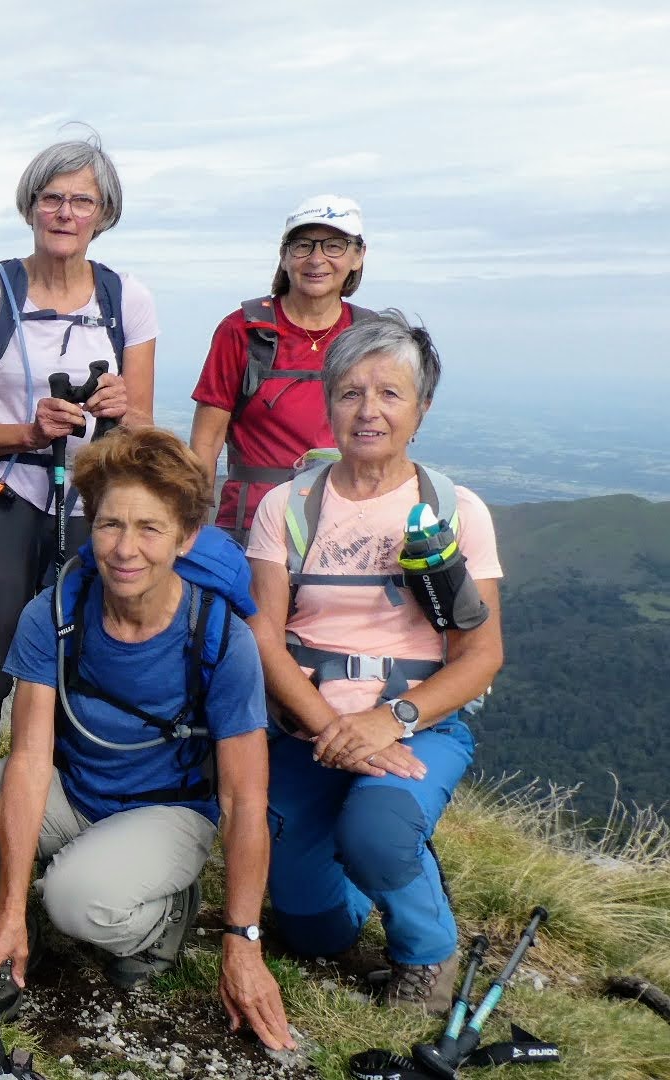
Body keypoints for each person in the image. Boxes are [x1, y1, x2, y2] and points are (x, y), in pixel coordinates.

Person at [0, 428, 292, 1051]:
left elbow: (243, 799)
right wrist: (11, 907)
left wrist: (243, 941)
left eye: (150, 528)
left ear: (185, 538)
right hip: (74, 790)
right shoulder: (55, 614)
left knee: (77, 898)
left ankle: (164, 920)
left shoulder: (219, 636)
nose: (125, 549)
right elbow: (29, 760)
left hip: (169, 810)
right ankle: (4, 935)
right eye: (109, 525)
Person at [245, 312, 503, 1011]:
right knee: (314, 932)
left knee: (377, 833)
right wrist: (335, 728)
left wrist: (391, 720)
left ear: (422, 407)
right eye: (350, 392)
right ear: (329, 403)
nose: (368, 411)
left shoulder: (454, 511)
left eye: (390, 393)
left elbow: (483, 654)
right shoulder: (289, 506)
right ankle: (382, 858)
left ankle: (427, 954)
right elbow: (264, 637)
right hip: (309, 728)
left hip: (417, 726)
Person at [0, 134, 158, 901]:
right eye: (51, 198)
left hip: (92, 508)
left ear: (104, 214)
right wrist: (31, 431)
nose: (65, 212)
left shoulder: (128, 301)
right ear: (30, 206)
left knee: (77, 675)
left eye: (81, 201)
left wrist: (120, 412)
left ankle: (57, 832)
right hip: (5, 495)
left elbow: (143, 430)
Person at [192, 194, 372, 540]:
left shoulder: (370, 337)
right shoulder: (241, 331)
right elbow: (206, 441)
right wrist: (194, 531)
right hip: (253, 526)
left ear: (358, 255)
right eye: (303, 245)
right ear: (284, 256)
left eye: (334, 246)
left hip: (348, 525)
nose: (317, 259)